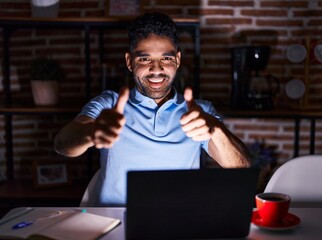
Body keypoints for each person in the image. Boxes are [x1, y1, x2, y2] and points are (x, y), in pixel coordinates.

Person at [54, 12, 251, 206]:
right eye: (144, 59)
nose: (156, 69)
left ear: (178, 60)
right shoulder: (109, 104)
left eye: (166, 59)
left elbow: (240, 168)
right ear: (130, 62)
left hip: (176, 221)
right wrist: (91, 132)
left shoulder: (199, 112)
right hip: (115, 219)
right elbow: (63, 145)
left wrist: (215, 129)